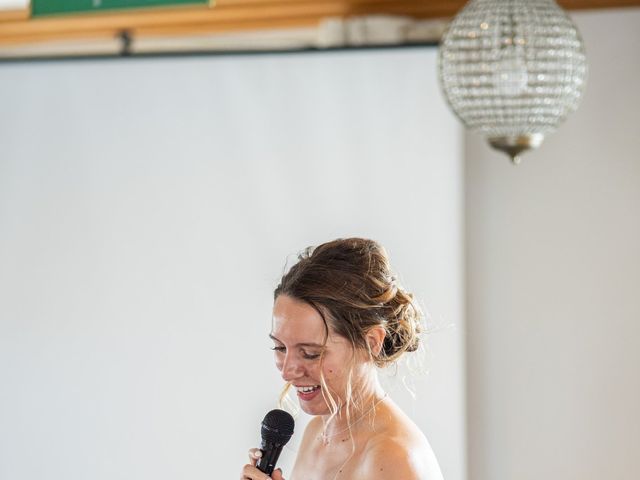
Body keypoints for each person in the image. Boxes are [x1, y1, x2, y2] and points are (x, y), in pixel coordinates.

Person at [241, 238, 444, 480]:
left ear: (371, 343)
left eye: (310, 353)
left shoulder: (394, 458)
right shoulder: (318, 431)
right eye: (280, 347)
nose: (287, 372)